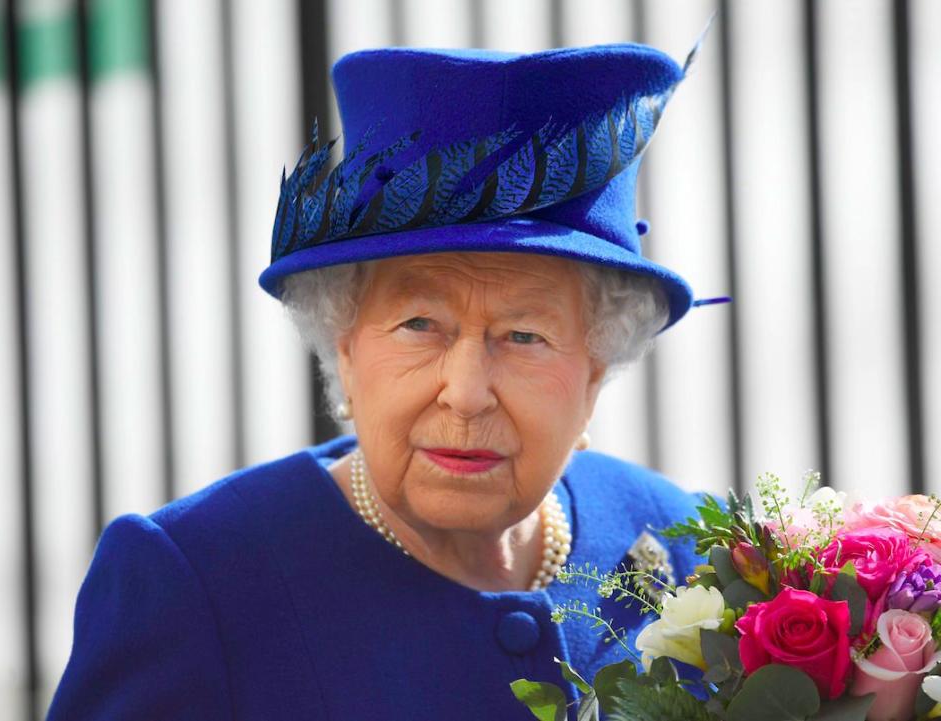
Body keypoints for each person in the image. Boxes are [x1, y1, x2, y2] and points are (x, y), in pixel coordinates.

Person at [47, 34, 726, 721]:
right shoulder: (195, 581)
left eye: (524, 335)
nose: (465, 391)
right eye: (419, 325)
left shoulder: (678, 543)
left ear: (596, 366)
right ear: (344, 342)